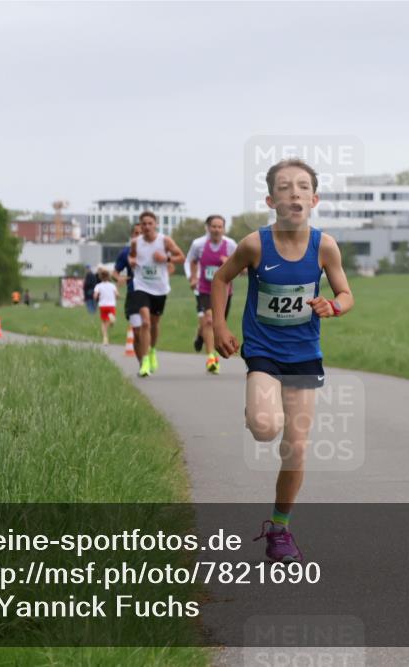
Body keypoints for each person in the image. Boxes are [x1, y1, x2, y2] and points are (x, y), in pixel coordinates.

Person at [212, 159, 354, 562]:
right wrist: (220, 328)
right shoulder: (255, 244)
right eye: (286, 187)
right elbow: (222, 279)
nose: (295, 193)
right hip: (263, 351)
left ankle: (279, 529)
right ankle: (257, 407)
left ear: (314, 198)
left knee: (296, 448)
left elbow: (346, 293)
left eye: (303, 186)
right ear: (271, 199)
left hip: (305, 354)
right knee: (264, 426)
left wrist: (334, 305)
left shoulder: (324, 246)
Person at [128, 211, 185, 377]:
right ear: (140, 225)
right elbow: (132, 258)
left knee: (154, 323)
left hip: (159, 288)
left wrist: (166, 259)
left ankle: (152, 350)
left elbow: (181, 257)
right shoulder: (135, 242)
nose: (146, 227)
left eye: (149, 223)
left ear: (155, 224)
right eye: (143, 224)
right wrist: (131, 261)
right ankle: (144, 361)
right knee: (145, 322)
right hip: (141, 286)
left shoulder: (164, 241)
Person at [187, 215, 239, 373]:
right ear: (208, 228)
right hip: (205, 289)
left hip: (225, 292)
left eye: (219, 226)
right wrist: (193, 277)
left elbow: (242, 268)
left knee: (218, 323)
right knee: (209, 320)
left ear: (224, 228)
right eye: (213, 226)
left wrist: (229, 262)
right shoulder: (199, 244)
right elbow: (192, 260)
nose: (216, 229)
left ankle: (200, 334)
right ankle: (212, 357)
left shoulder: (230, 245)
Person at [113, 221, 143, 362]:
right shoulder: (125, 252)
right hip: (133, 293)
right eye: (136, 233)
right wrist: (119, 278)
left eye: (142, 233)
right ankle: (142, 361)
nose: (139, 236)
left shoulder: (156, 250)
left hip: (151, 293)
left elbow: (169, 266)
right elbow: (115, 272)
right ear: (132, 235)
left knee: (148, 325)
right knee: (137, 331)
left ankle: (149, 355)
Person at [92, 266, 120, 345]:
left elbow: (95, 296)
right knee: (110, 320)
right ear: (108, 277)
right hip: (111, 305)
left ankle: (105, 338)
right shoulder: (112, 285)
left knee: (103, 322)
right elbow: (117, 295)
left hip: (102, 306)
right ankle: (112, 321)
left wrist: (96, 298)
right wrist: (116, 297)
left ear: (100, 277)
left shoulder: (98, 286)